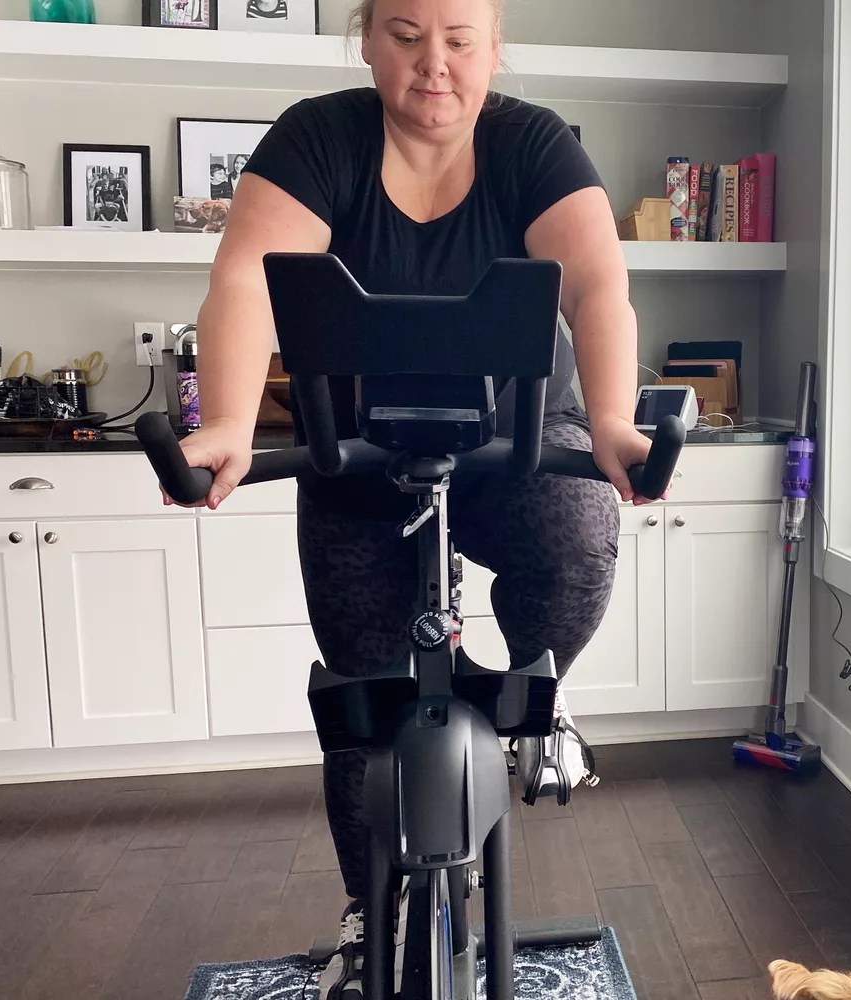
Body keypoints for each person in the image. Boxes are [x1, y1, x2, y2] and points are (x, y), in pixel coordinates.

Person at [169, 1, 649, 996]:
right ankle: (366, 908)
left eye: (459, 40)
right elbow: (245, 284)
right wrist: (223, 421)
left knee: (580, 530)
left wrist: (609, 421)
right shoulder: (317, 138)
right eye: (404, 35)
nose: (433, 65)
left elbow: (599, 283)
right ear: (366, 38)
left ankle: (534, 705)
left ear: (494, 48)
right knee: (363, 702)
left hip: (519, 451)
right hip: (356, 461)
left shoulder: (532, 146)